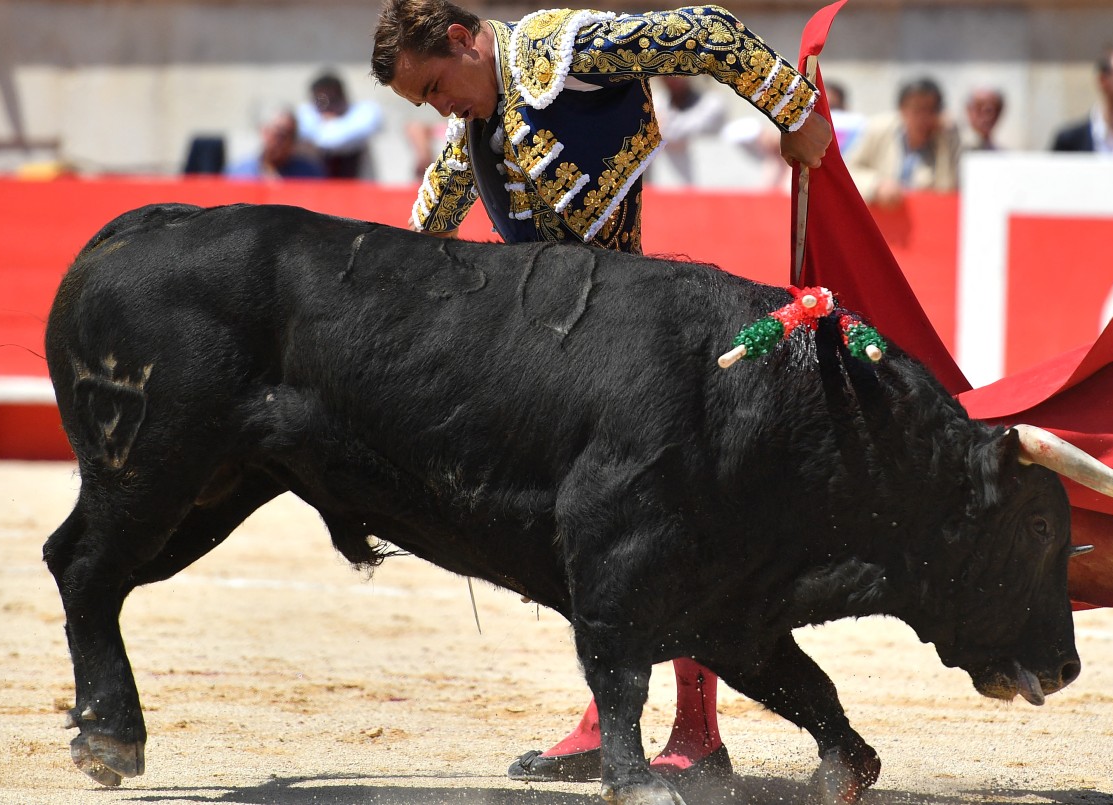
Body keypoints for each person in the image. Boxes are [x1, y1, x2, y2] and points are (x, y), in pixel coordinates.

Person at [370, 0, 831, 781]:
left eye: (437, 84)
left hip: (642, 342)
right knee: (583, 542)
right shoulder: (474, 125)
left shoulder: (565, 50)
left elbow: (706, 33)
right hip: (571, 356)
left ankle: (697, 730)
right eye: (426, 101)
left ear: (460, 39)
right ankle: (602, 716)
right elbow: (419, 242)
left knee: (664, 530)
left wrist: (795, 111)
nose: (440, 106)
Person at [845, 76, 961, 207]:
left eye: (930, 110)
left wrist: (947, 140)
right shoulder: (879, 129)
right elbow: (847, 170)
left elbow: (947, 190)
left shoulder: (943, 139)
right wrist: (876, 185)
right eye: (917, 109)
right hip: (877, 217)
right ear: (902, 109)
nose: (923, 117)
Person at [296, 72, 385, 179]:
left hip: (357, 187)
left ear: (343, 97)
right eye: (321, 101)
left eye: (333, 100)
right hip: (319, 190)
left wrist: (327, 124)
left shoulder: (362, 114)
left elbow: (334, 140)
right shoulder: (305, 114)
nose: (328, 107)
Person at [654, 75, 727, 186]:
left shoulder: (712, 102)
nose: (673, 79)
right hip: (667, 185)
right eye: (666, 75)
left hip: (711, 181)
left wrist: (660, 127)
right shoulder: (657, 102)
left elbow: (680, 133)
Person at [225, 108, 325, 179]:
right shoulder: (239, 172)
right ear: (264, 131)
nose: (284, 141)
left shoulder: (308, 173)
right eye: (280, 134)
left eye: (291, 135)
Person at [963, 86, 1005, 151]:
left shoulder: (1006, 154)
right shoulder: (955, 149)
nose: (987, 116)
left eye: (994, 109)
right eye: (979, 107)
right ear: (968, 110)